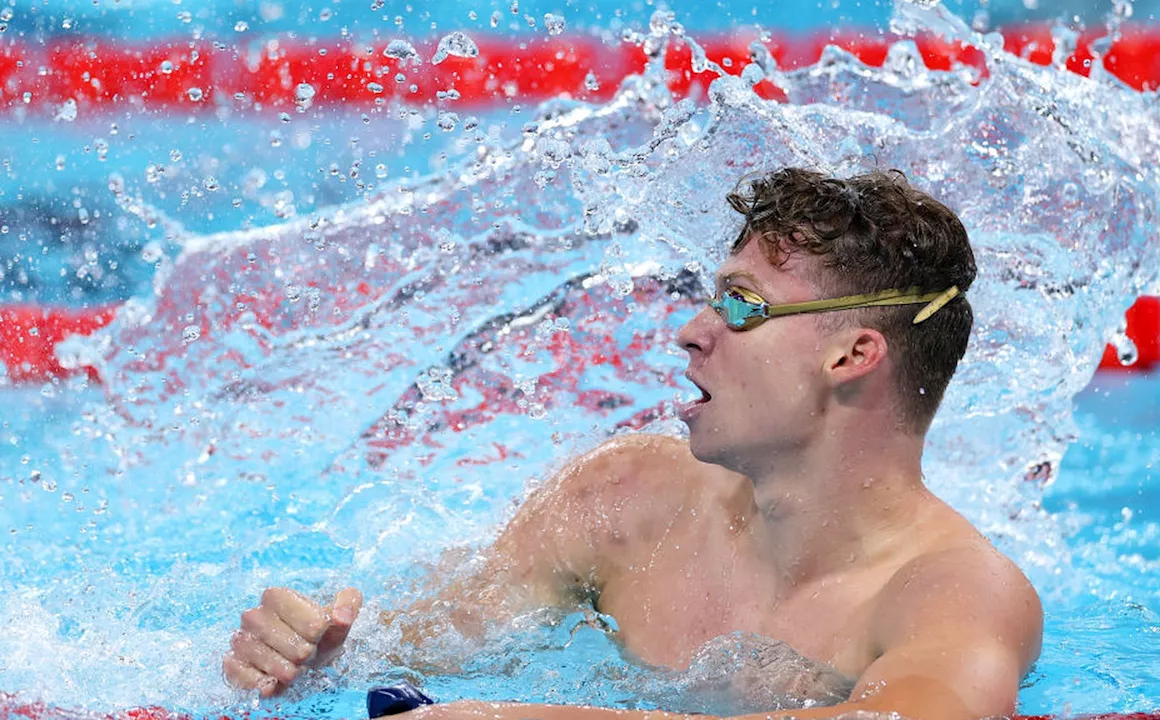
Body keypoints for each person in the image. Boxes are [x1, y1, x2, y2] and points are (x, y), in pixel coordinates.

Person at [222, 168, 1043, 720]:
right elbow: (433, 642)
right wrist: (313, 651)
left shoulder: (958, 595)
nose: (690, 332)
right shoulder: (623, 501)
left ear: (853, 355)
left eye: (742, 307)